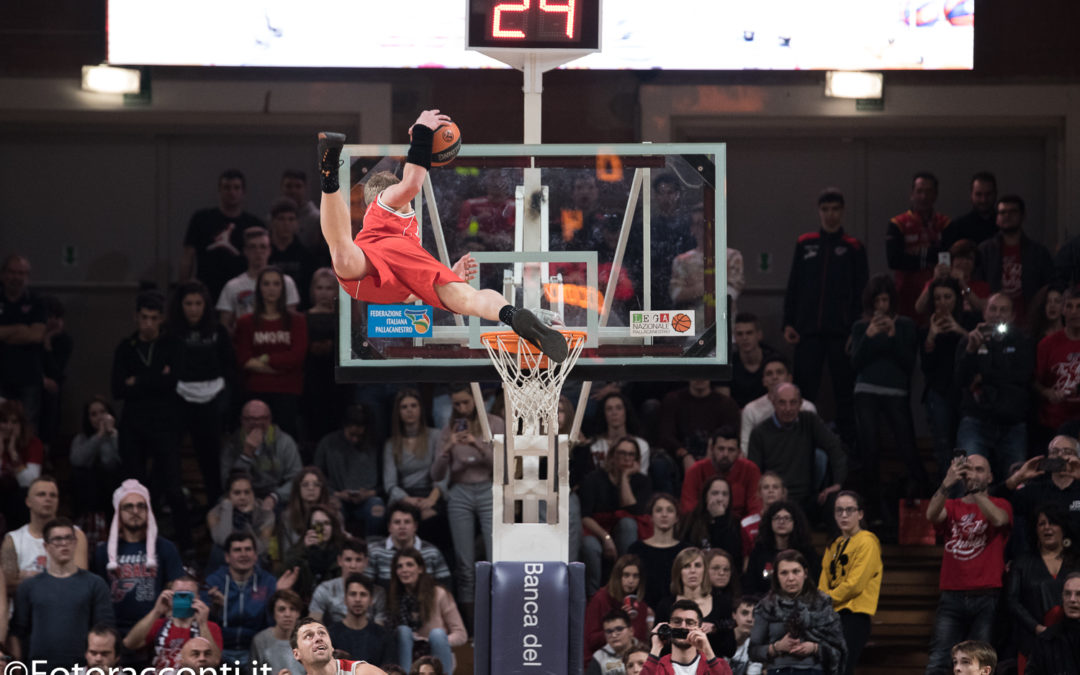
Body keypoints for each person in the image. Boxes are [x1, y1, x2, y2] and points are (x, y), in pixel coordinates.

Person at [318, 116, 568, 364]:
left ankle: (329, 176)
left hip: (373, 275)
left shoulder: (389, 216)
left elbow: (406, 293)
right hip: (397, 273)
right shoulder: (394, 211)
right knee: (471, 300)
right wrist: (421, 133)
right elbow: (412, 185)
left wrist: (423, 135)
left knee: (342, 257)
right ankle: (512, 314)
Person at [783, 188, 866, 442]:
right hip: (808, 332)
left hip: (842, 334)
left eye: (835, 209)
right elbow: (793, 285)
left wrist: (856, 330)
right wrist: (788, 322)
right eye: (825, 209)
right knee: (804, 389)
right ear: (819, 211)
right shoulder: (805, 243)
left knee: (845, 393)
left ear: (842, 212)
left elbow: (862, 292)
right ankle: (798, 439)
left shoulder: (853, 246)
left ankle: (850, 449)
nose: (830, 215)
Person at [111, 289, 191, 552]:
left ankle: (186, 547)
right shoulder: (126, 347)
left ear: (161, 319)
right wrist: (157, 377)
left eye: (154, 318)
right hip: (133, 424)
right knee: (132, 486)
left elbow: (173, 380)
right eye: (144, 317)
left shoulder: (173, 345)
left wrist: (138, 380)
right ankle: (132, 545)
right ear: (136, 317)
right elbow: (118, 388)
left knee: (172, 487)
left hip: (165, 423)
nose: (148, 324)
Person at [924, 453, 1013, 675]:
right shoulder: (952, 505)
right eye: (969, 469)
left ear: (991, 477)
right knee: (939, 659)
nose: (973, 473)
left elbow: (999, 519)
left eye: (979, 469)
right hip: (951, 595)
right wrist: (947, 482)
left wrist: (975, 492)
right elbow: (931, 514)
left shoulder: (1001, 504)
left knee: (980, 662)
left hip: (986, 595)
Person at [850, 273, 927, 511]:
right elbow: (855, 364)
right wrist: (868, 336)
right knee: (869, 447)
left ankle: (924, 497)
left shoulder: (905, 325)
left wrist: (893, 336)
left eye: (885, 301)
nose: (882, 306)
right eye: (877, 302)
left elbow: (908, 364)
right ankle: (871, 506)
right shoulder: (860, 326)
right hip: (866, 391)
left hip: (896, 392)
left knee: (907, 446)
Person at [430, 383, 504, 615]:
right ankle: (472, 629)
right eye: (456, 404)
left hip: (488, 488)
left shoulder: (494, 423)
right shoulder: (448, 430)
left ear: (478, 401)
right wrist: (448, 448)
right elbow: (436, 474)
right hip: (460, 491)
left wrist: (478, 445)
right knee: (465, 566)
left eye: (466, 403)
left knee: (496, 560)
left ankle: (498, 616)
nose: (462, 409)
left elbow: (503, 467)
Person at [9, 518, 114, 666]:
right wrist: (18, 666)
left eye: (68, 538)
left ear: (75, 542)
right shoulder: (29, 587)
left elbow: (106, 631)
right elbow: (16, 633)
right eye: (57, 539)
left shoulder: (95, 584)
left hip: (82, 668)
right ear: (46, 546)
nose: (64, 543)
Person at [955, 292, 1035, 480]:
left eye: (1003, 310)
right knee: (966, 478)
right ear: (984, 313)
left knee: (1016, 480)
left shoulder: (1023, 341)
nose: (997, 314)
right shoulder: (970, 341)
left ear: (1013, 316)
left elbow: (1021, 377)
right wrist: (971, 351)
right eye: (993, 309)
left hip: (1012, 423)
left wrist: (984, 375)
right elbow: (960, 381)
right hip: (976, 419)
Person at [168, 279, 234, 505]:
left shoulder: (218, 331)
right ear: (181, 306)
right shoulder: (170, 333)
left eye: (198, 303)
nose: (194, 309)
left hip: (212, 400)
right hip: (179, 401)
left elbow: (229, 366)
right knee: (169, 460)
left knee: (210, 462)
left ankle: (215, 512)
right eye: (189, 303)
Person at [92, 479, 186, 634]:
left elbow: (178, 589)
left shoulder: (165, 548)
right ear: (118, 512)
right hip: (114, 631)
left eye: (141, 506)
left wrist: (179, 629)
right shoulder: (103, 551)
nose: (135, 511)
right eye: (128, 506)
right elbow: (97, 597)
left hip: (156, 629)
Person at [747, 383, 846, 517]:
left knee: (835, 501)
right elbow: (755, 474)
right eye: (782, 403)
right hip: (775, 500)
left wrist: (837, 483)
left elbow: (835, 447)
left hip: (807, 499)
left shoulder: (809, 421)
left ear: (800, 404)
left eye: (793, 403)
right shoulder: (760, 433)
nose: (788, 408)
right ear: (773, 403)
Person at [233, 265, 308, 437]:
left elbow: (296, 358)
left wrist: (264, 359)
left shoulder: (297, 321)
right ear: (259, 288)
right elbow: (244, 359)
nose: (271, 289)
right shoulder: (246, 322)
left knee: (285, 439)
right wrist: (281, 366)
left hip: (288, 391)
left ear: (283, 288)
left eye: (276, 284)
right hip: (256, 389)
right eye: (266, 284)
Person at [203, 532, 298, 664]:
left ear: (255, 555)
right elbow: (203, 623)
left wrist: (278, 595)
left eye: (248, 549)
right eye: (237, 550)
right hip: (221, 650)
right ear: (227, 557)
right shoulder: (214, 582)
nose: (243, 554)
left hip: (257, 649)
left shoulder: (268, 582)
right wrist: (215, 609)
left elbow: (272, 623)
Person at [749, 549, 846, 675]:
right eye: (784, 573)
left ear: (805, 573)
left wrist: (815, 648)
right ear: (776, 576)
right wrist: (777, 647)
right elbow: (753, 651)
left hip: (814, 670)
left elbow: (838, 649)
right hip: (778, 670)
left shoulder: (822, 604)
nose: (790, 578)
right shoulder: (767, 606)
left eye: (796, 571)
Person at [1007, 504, 1080, 670]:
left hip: (1073, 642)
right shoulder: (1022, 562)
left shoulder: (1077, 560)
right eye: (1042, 523)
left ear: (1063, 527)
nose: (1047, 528)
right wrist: (1037, 628)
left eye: (1053, 522)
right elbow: (1012, 601)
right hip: (1032, 641)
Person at [920, 276, 976, 482]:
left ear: (957, 299)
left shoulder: (969, 322)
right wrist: (931, 336)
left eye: (947, 297)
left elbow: (980, 352)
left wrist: (959, 330)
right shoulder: (927, 329)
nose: (942, 302)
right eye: (937, 298)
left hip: (965, 393)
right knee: (943, 447)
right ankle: (947, 494)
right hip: (939, 392)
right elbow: (925, 366)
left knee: (964, 447)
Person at [819, 491, 882, 675]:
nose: (844, 515)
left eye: (849, 510)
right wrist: (821, 601)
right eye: (839, 511)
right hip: (831, 615)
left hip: (854, 616)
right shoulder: (833, 543)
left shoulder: (867, 541)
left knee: (842, 669)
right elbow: (824, 580)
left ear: (860, 514)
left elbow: (855, 584)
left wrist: (825, 599)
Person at [581, 436, 653, 594]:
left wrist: (625, 478)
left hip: (623, 530)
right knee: (589, 545)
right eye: (622, 453)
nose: (626, 458)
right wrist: (606, 538)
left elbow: (633, 510)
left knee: (628, 524)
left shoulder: (641, 481)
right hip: (596, 530)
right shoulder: (594, 479)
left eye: (631, 455)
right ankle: (594, 596)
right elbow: (585, 516)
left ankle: (625, 587)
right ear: (612, 455)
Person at [180, 169, 266, 301]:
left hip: (242, 290)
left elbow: (263, 258)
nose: (232, 192)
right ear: (219, 190)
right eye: (227, 187)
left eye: (236, 188)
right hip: (206, 291)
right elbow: (187, 256)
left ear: (243, 192)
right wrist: (184, 288)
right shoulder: (202, 219)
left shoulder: (253, 224)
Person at [383, 389, 448, 548]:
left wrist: (431, 500)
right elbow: (390, 484)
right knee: (401, 518)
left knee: (434, 519)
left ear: (421, 409)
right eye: (404, 407)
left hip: (431, 494)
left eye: (414, 405)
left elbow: (443, 473)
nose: (410, 410)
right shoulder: (391, 444)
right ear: (398, 412)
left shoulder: (436, 436)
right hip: (404, 497)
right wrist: (409, 501)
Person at [1, 476, 88, 593]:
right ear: (28, 501)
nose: (48, 499)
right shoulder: (13, 539)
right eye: (41, 494)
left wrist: (29, 576)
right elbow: (7, 584)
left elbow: (78, 581)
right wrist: (60, 574)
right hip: (25, 610)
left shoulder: (75, 535)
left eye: (53, 495)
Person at [976, 194, 1055, 320]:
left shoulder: (1038, 252)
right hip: (994, 319)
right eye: (1002, 212)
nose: (1007, 216)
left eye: (1013, 212)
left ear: (1022, 216)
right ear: (997, 218)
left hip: (1030, 321)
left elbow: (1048, 286)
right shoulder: (985, 251)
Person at [387, 547, 466, 672]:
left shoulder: (439, 594)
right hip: (408, 655)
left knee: (438, 634)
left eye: (409, 565)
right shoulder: (393, 597)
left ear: (420, 568)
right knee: (403, 631)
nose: (404, 570)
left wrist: (430, 642)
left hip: (435, 654)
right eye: (399, 566)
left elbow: (461, 635)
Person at [122, 575, 223, 670]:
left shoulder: (210, 627)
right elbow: (129, 644)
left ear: (197, 598)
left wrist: (203, 624)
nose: (183, 599)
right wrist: (156, 611)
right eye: (179, 595)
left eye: (188, 595)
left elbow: (215, 661)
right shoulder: (158, 624)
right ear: (170, 596)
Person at [886, 171, 950, 319]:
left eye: (928, 192)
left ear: (935, 194)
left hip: (938, 296)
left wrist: (916, 255)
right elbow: (895, 260)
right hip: (905, 295)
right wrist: (930, 257)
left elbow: (948, 256)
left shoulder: (945, 223)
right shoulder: (898, 223)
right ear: (912, 193)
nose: (924, 197)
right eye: (919, 191)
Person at [315, 404, 385, 537]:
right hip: (337, 496)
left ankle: (372, 548)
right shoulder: (328, 443)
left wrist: (371, 493)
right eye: (351, 435)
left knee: (377, 508)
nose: (355, 439)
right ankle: (339, 549)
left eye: (359, 436)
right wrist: (336, 493)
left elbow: (385, 481)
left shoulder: (375, 445)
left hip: (367, 499)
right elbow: (317, 475)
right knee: (331, 507)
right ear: (344, 427)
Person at [220, 400, 302, 512]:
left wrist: (275, 497)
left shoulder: (285, 442)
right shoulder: (232, 444)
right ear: (242, 420)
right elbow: (227, 483)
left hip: (276, 495)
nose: (257, 423)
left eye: (262, 418)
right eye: (251, 419)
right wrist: (246, 455)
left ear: (269, 419)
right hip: (242, 494)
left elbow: (296, 478)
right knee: (222, 507)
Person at [217, 228, 301, 334]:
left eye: (263, 247)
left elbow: (291, 322)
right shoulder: (232, 286)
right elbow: (224, 327)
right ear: (245, 251)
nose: (258, 251)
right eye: (253, 247)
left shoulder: (286, 282)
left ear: (269, 250)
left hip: (278, 339)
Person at [1005, 436, 1080, 548]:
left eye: (1067, 451)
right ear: (1048, 457)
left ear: (1077, 457)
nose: (1060, 455)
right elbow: (997, 502)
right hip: (1040, 559)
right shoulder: (1034, 491)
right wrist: (1017, 478)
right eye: (1054, 452)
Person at [0, 254, 46, 427]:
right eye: (12, 272)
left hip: (28, 376)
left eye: (22, 273)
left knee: (27, 425)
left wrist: (5, 334)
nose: (16, 277)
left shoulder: (37, 301)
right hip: (1, 374)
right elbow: (28, 333)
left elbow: (36, 335)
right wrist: (20, 329)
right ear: (3, 274)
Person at [304, 267, 349, 444]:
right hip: (312, 380)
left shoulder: (346, 316)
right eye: (319, 288)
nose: (323, 293)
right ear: (312, 290)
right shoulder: (302, 318)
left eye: (329, 288)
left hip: (338, 382)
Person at [660, 380, 743, 473]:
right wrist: (684, 455)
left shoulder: (727, 404)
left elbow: (731, 436)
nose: (700, 377)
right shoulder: (673, 400)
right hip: (679, 458)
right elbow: (666, 436)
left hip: (717, 456)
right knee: (661, 463)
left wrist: (712, 452)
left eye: (704, 370)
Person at [740, 356, 817, 455]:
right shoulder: (751, 409)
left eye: (779, 372)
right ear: (764, 381)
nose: (774, 377)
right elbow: (745, 447)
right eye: (769, 374)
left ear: (789, 378)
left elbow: (812, 443)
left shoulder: (807, 408)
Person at [681, 426, 761, 522]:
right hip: (703, 525)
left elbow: (756, 508)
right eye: (721, 449)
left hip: (740, 528)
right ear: (712, 449)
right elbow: (688, 509)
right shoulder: (695, 471)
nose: (725, 454)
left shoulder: (750, 470)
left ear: (739, 452)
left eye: (731, 450)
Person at [655, 547, 731, 647]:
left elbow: (730, 649)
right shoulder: (665, 605)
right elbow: (658, 645)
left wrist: (716, 629)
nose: (693, 571)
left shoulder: (722, 603)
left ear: (705, 570)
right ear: (678, 572)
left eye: (698, 565)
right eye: (686, 566)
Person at [742, 500, 820, 596]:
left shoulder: (807, 552)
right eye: (777, 518)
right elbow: (750, 585)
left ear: (795, 521)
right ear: (770, 522)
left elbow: (813, 584)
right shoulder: (759, 551)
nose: (781, 522)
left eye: (787, 518)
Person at [367, 501, 451, 588]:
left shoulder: (432, 552)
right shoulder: (375, 552)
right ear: (389, 527)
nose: (402, 527)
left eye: (407, 522)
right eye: (397, 522)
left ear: (415, 526)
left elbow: (445, 587)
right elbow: (366, 586)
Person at [584, 554, 653, 659]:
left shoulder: (641, 607)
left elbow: (639, 642)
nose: (631, 581)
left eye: (636, 576)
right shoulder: (600, 599)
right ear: (617, 577)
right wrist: (619, 624)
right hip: (603, 660)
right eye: (626, 575)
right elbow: (591, 640)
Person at [1035, 286, 1080, 442]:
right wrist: (1048, 392)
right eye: (1069, 306)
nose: (1074, 311)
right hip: (1053, 423)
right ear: (1062, 309)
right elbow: (1035, 381)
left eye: (1079, 306)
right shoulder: (1047, 344)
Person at [629, 493, 690, 608]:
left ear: (677, 517)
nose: (664, 514)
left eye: (670, 510)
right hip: (643, 611)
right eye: (659, 510)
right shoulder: (636, 549)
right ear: (651, 517)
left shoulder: (685, 551)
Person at [310, 538, 388, 626]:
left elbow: (379, 630)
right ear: (339, 561)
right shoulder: (324, 589)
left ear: (366, 562)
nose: (353, 566)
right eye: (348, 560)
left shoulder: (378, 593)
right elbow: (314, 624)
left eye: (358, 560)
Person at [640, 599, 731, 675]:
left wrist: (707, 650)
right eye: (677, 621)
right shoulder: (657, 667)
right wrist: (656, 648)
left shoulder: (719, 664)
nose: (683, 626)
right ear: (669, 626)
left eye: (690, 622)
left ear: (700, 629)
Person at [68, 397, 122, 519]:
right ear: (88, 419)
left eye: (103, 412)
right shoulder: (81, 438)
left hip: (111, 487)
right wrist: (99, 436)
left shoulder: (118, 436)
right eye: (94, 414)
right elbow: (77, 460)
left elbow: (113, 462)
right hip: (87, 490)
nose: (99, 417)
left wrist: (112, 436)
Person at [282, 504, 347, 601]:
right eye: (317, 524)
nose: (322, 528)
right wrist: (303, 550)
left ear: (333, 526)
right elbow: (289, 572)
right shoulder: (297, 550)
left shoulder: (344, 551)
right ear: (309, 527)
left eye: (327, 523)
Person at [207, 471, 276, 562]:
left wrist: (245, 521)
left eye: (247, 492)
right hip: (224, 561)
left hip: (256, 561)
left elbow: (260, 550)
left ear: (253, 494)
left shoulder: (266, 514)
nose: (242, 497)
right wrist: (227, 509)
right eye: (237, 493)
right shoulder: (214, 514)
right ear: (228, 495)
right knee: (218, 551)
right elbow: (223, 541)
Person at [914, 239, 990, 317]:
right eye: (960, 257)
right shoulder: (935, 282)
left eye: (969, 258)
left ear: (974, 264)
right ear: (952, 260)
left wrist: (963, 284)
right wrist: (935, 280)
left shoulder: (982, 286)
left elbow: (982, 308)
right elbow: (919, 308)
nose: (964, 262)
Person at [327, 574, 391, 666]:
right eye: (353, 594)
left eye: (363, 594)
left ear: (371, 600)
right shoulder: (330, 634)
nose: (358, 599)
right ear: (345, 599)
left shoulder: (383, 635)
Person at [289, 616, 388, 675]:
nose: (318, 638)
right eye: (308, 636)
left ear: (332, 647)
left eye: (322, 633)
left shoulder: (362, 672)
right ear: (296, 654)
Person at [680, 477, 743, 567]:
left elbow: (733, 555)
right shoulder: (691, 520)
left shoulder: (735, 523)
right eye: (715, 493)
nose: (720, 499)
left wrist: (720, 520)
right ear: (705, 496)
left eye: (725, 494)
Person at [0, 400, 44, 526]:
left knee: (23, 495)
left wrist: (14, 454)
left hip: (18, 499)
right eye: (4, 421)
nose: (9, 427)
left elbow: (30, 483)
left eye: (14, 422)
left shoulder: (33, 444)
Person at [1026, 573, 1080, 675]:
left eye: (1079, 594)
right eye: (1067, 594)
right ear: (1062, 597)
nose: (1072, 599)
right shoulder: (1046, 640)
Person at [268, 197, 318, 308]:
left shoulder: (306, 255)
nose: (286, 224)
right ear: (272, 222)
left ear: (297, 223)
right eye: (281, 219)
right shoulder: (263, 251)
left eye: (291, 219)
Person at [279, 466, 340, 555]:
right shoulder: (287, 517)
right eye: (305, 484)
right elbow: (286, 553)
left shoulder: (335, 514)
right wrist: (304, 546)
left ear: (322, 489)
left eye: (316, 484)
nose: (311, 488)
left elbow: (340, 547)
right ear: (298, 489)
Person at [590, 391, 653, 475]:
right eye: (609, 409)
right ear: (604, 414)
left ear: (626, 412)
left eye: (619, 408)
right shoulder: (595, 446)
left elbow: (641, 477)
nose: (614, 413)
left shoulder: (642, 445)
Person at [729, 313, 780, 408]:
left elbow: (783, 393)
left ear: (759, 335)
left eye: (749, 333)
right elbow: (724, 402)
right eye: (740, 334)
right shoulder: (728, 364)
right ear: (734, 337)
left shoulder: (774, 360)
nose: (744, 338)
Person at [250, 589, 305, 675]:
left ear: (298, 613)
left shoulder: (307, 640)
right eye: (281, 609)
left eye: (292, 609)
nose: (287, 614)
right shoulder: (261, 640)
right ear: (273, 613)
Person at [942, 172, 999, 250]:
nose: (984, 200)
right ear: (971, 195)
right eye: (978, 194)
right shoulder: (957, 227)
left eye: (988, 194)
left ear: (995, 194)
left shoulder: (1003, 226)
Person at [280, 169, 324, 262]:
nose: (293, 191)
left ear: (305, 188)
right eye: (288, 186)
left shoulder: (317, 218)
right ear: (282, 188)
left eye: (298, 186)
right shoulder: (273, 217)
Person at [739, 473, 787, 559]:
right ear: (759, 493)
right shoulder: (746, 524)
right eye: (766, 487)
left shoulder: (792, 520)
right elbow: (746, 557)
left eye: (775, 487)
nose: (770, 491)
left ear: (783, 493)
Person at [587, 609, 637, 675]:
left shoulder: (645, 652)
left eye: (619, 629)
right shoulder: (599, 657)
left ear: (631, 631)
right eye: (609, 631)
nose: (613, 635)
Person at [727, 595, 762, 675]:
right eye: (744, 613)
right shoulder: (719, 640)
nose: (749, 619)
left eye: (755, 615)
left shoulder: (756, 646)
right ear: (734, 615)